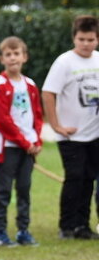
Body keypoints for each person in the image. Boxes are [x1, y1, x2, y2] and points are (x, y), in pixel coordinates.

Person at [42, 14, 99, 240]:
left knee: (88, 179)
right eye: (81, 39)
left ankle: (82, 226)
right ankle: (66, 225)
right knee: (74, 178)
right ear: (74, 38)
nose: (86, 44)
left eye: (90, 39)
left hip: (94, 135)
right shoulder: (64, 62)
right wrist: (56, 125)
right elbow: (48, 93)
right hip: (71, 136)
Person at [0, 36, 44, 247]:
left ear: (24, 57)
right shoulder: (0, 85)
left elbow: (37, 115)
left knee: (24, 188)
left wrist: (36, 139)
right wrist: (23, 141)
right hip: (8, 147)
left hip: (28, 148)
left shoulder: (30, 85)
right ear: (2, 58)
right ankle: (0, 232)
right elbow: (1, 120)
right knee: (3, 191)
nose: (13, 58)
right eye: (8, 54)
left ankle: (23, 230)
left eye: (16, 53)